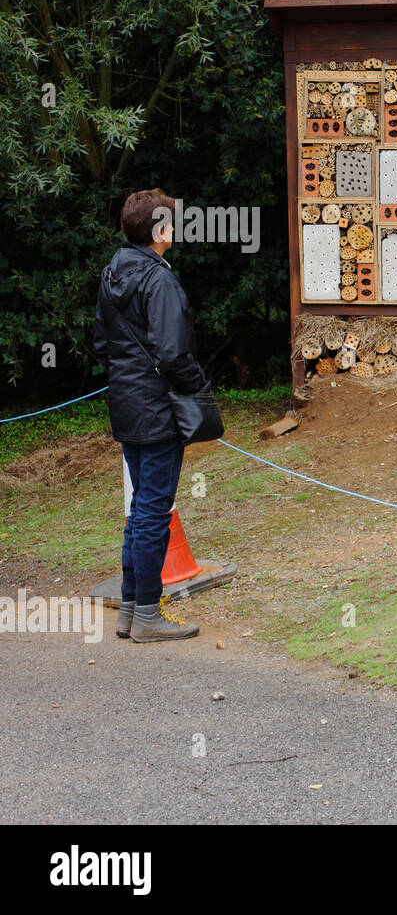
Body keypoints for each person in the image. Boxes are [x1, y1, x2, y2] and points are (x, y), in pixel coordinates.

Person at [92, 188, 206, 642]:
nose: (175, 229)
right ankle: (146, 617)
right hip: (157, 407)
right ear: (159, 231)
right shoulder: (157, 279)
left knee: (142, 508)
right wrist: (196, 390)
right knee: (154, 511)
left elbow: (102, 345)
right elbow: (174, 350)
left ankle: (130, 610)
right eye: (172, 223)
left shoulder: (112, 272)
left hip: (125, 402)